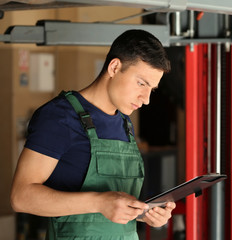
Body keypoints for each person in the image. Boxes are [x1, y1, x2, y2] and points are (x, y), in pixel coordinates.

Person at [10, 29, 176, 239]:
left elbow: (113, 209)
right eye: (141, 83)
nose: (146, 99)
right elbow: (21, 197)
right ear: (115, 67)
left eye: (151, 89)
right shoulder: (60, 117)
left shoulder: (125, 124)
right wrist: (100, 202)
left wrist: (143, 213)